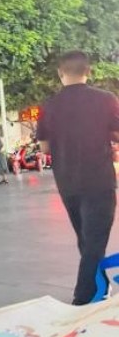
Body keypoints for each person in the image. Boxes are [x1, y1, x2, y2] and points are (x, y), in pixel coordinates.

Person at [37, 50, 119, 305]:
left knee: (86, 239)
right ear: (88, 71)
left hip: (67, 182)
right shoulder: (106, 99)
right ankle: (83, 297)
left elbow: (44, 147)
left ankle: (100, 286)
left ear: (60, 73)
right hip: (98, 181)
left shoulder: (49, 106)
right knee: (94, 241)